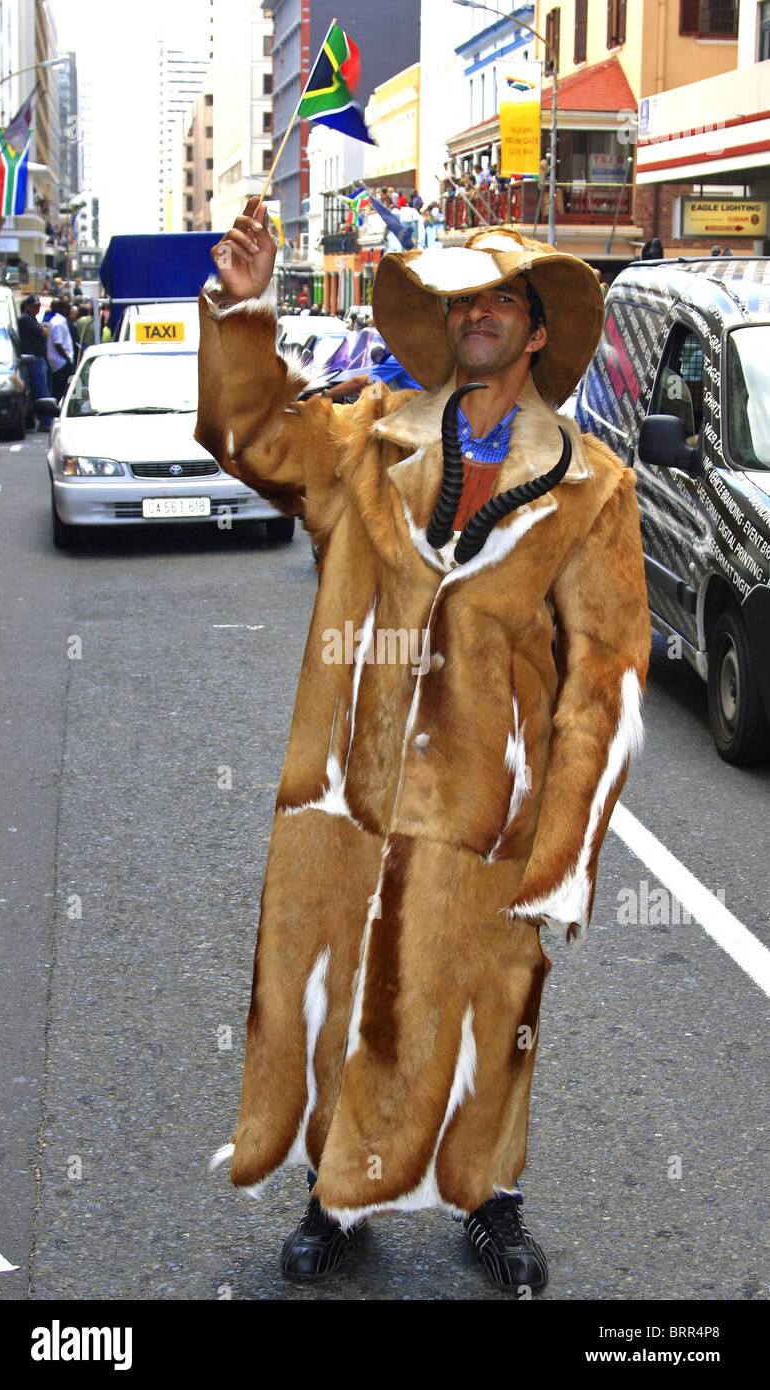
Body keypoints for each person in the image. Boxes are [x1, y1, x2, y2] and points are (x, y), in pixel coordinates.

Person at [197, 202, 651, 1294]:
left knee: (495, 1003)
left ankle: (490, 1200)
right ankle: (335, 1199)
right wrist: (247, 310)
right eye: (467, 300)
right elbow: (251, 438)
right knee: (338, 991)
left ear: (537, 331)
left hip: (491, 809)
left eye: (503, 300)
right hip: (352, 789)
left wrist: (567, 856)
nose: (480, 314)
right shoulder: (368, 436)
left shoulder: (594, 487)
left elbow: (604, 678)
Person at [18, 294, 51, 430]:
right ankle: (46, 421)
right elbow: (44, 333)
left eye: (38, 306)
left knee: (41, 389)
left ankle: (44, 420)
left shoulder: (31, 319)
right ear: (27, 307)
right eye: (34, 306)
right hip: (34, 359)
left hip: (37, 358)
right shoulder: (26, 319)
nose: (36, 309)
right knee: (41, 391)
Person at [46, 299, 75, 401]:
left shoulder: (61, 321)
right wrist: (67, 359)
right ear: (63, 309)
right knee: (60, 391)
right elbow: (57, 343)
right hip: (61, 363)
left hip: (61, 361)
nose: (70, 311)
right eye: (68, 308)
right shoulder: (58, 322)